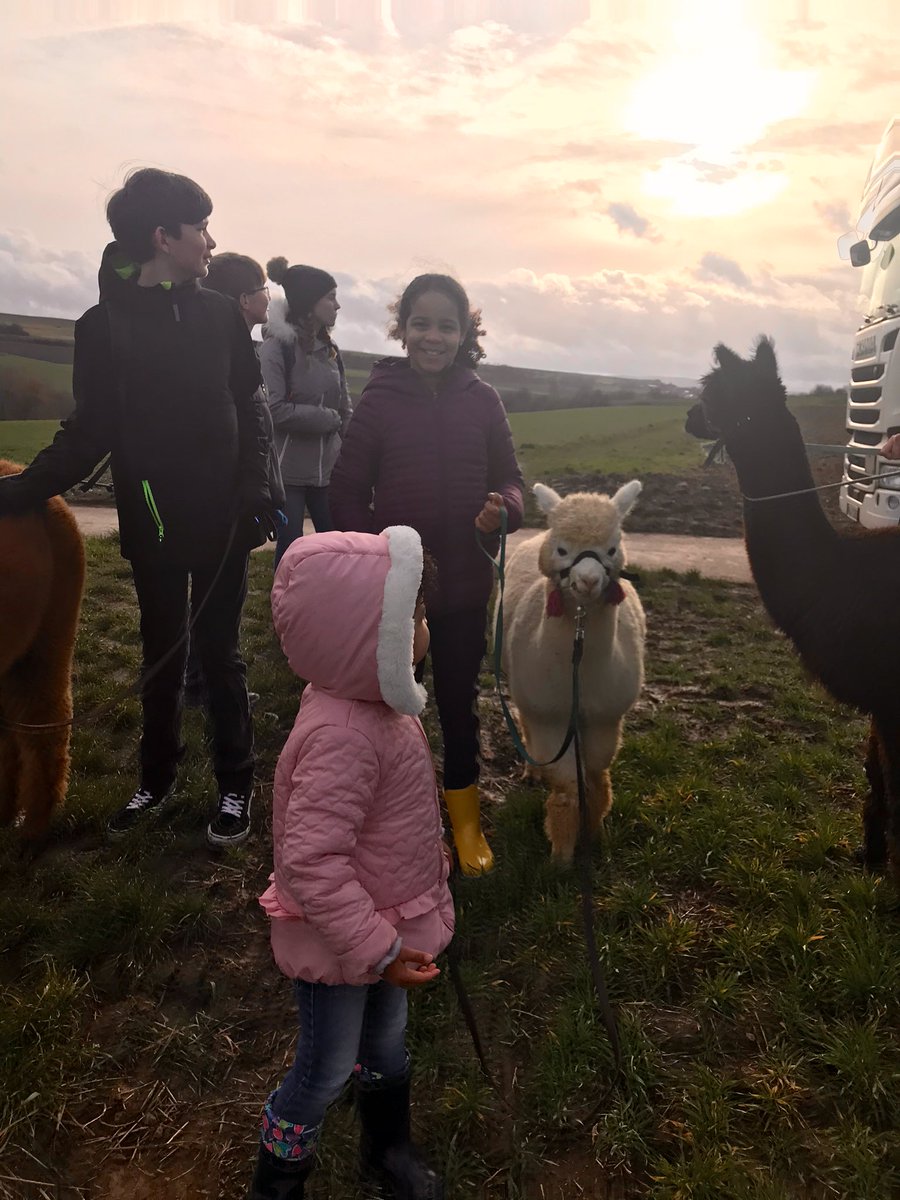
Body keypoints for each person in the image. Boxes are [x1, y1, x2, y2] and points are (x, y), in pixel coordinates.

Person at [0, 168, 277, 846]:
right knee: (160, 650)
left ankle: (236, 786)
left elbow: (250, 404)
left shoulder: (219, 314)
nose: (211, 241)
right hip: (152, 519)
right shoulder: (103, 329)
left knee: (220, 654)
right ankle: (154, 782)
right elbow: (88, 431)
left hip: (225, 520)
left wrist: (258, 488)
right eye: (202, 227)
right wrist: (18, 492)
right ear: (163, 236)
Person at [249, 525, 452, 1200]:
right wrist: (380, 947)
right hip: (343, 941)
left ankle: (387, 1147)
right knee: (326, 1067)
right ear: (370, 637)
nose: (425, 628)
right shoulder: (344, 735)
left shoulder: (378, 705)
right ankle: (279, 1179)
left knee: (386, 1044)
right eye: (414, 616)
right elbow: (311, 861)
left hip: (390, 923)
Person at [329, 274, 524, 876]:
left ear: (466, 333)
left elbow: (512, 480)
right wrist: (375, 560)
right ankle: (392, 817)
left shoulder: (483, 400)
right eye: (421, 323)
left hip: (465, 587)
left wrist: (505, 510)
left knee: (458, 706)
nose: (432, 336)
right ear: (402, 328)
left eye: (446, 324)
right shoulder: (380, 398)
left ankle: (464, 820)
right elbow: (345, 489)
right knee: (390, 707)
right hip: (398, 595)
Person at [183, 252, 287, 709]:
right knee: (220, 601)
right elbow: (246, 435)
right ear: (245, 300)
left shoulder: (235, 348)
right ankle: (212, 692)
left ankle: (198, 684)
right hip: (228, 504)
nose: (269, 298)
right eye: (264, 290)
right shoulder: (227, 357)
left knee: (215, 598)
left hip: (237, 499)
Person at [259, 256, 351, 569]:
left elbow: (344, 406)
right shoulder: (276, 348)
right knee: (290, 546)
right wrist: (327, 420)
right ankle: (284, 608)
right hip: (289, 474)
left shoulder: (330, 347)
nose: (337, 306)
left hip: (329, 469)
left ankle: (331, 602)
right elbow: (275, 409)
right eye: (331, 297)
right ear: (310, 303)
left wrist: (349, 447)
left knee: (338, 542)